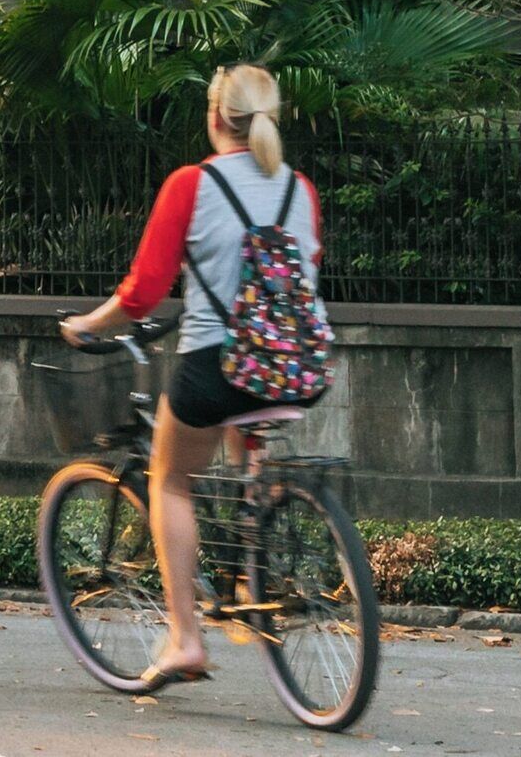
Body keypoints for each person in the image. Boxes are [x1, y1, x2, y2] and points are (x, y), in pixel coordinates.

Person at [60, 63, 326, 693]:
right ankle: (252, 544)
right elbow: (301, 278)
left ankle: (184, 639)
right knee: (242, 423)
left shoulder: (191, 184)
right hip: (299, 366)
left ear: (214, 118)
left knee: (171, 477)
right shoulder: (300, 189)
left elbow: (143, 294)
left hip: (216, 367)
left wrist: (87, 324)